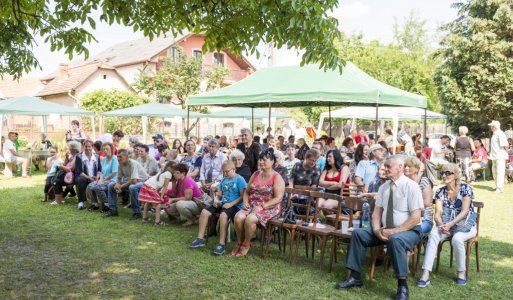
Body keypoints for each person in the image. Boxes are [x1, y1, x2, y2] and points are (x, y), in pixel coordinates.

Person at [336, 155, 423, 300]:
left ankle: (402, 286)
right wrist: (377, 230)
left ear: (400, 167)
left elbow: (415, 218)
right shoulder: (384, 187)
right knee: (358, 233)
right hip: (384, 229)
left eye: (388, 166)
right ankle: (355, 277)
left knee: (395, 240)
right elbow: (376, 213)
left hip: (409, 230)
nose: (384, 169)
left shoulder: (411, 186)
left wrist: (393, 231)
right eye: (384, 166)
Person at [417, 163, 477, 287]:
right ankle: (425, 273)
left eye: (448, 173)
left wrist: (449, 225)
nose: (444, 175)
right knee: (433, 234)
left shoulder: (466, 188)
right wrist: (440, 224)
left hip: (466, 226)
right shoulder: (440, 192)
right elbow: (438, 213)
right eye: (443, 173)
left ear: (455, 175)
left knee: (457, 239)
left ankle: (461, 272)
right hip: (446, 225)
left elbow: (465, 211)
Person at [232, 149, 285, 256]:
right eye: (260, 159)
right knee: (238, 217)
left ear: (272, 162)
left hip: (270, 207)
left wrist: (262, 206)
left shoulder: (277, 177)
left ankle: (246, 244)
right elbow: (247, 192)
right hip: (252, 205)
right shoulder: (256, 174)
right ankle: (240, 241)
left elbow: (278, 198)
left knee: (250, 219)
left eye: (264, 160)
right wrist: (245, 202)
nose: (261, 162)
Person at [189, 160, 248, 254]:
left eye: (227, 171)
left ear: (234, 169)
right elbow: (219, 194)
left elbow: (242, 196)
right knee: (204, 212)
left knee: (223, 215)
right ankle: (200, 239)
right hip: (223, 203)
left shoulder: (239, 179)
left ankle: (222, 244)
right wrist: (216, 200)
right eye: (223, 171)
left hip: (235, 206)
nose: (225, 173)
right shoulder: (224, 180)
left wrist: (231, 204)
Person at [105, 149, 149, 219]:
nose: (118, 159)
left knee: (132, 187)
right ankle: (113, 210)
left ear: (126, 156)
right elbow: (119, 178)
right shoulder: (120, 164)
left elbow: (134, 181)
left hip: (144, 181)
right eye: (117, 157)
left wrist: (121, 186)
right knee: (111, 185)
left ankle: (137, 213)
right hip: (131, 181)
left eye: (120, 157)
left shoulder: (133, 163)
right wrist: (117, 184)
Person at [139, 161, 176, 226]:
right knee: (158, 203)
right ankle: (157, 222)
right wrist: (161, 197)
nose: (174, 169)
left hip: (146, 185)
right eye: (173, 168)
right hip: (150, 187)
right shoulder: (168, 174)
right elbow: (165, 186)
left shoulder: (162, 172)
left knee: (148, 201)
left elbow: (159, 185)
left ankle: (144, 218)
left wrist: (158, 193)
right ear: (168, 167)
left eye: (175, 168)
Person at [404, 156, 433, 234]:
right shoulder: (404, 183)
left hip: (424, 218)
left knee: (410, 234)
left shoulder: (423, 181)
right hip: (406, 217)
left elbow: (426, 203)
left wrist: (408, 205)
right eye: (405, 166)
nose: (406, 168)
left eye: (409, 166)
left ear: (417, 169)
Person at [87, 142, 118, 211]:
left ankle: (107, 204)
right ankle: (95, 204)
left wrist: (104, 180)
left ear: (111, 149)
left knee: (97, 187)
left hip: (113, 180)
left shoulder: (114, 159)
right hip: (104, 179)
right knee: (90, 185)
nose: (105, 151)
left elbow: (114, 172)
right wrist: (100, 179)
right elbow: (102, 172)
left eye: (107, 149)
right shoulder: (104, 159)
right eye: (104, 149)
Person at [74, 140, 102, 210]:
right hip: (83, 176)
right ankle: (80, 202)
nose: (87, 148)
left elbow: (99, 169)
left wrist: (97, 177)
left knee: (97, 182)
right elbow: (79, 171)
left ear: (92, 147)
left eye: (89, 146)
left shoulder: (96, 156)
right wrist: (89, 177)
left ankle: (95, 203)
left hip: (94, 177)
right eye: (86, 146)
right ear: (83, 147)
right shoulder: (79, 156)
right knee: (80, 180)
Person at [51, 141, 81, 205]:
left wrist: (61, 166)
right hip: (69, 175)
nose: (68, 149)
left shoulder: (77, 156)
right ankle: (60, 199)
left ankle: (58, 200)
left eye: (69, 148)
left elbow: (71, 169)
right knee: (55, 179)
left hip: (73, 176)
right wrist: (66, 159)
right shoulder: (72, 156)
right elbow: (66, 164)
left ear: (74, 149)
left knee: (56, 182)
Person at [488, 120, 508, 193]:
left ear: (494, 127)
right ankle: (497, 186)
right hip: (494, 156)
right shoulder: (494, 134)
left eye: (491, 126)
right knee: (494, 172)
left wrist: (505, 155)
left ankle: (500, 188)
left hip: (500, 156)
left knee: (500, 172)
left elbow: (505, 145)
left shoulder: (500, 133)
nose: (490, 127)